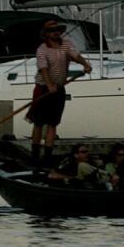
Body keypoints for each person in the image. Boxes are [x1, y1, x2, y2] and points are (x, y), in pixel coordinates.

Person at [26, 19, 90, 169]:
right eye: (52, 30)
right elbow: (43, 68)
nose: (56, 32)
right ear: (47, 34)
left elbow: (75, 55)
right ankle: (35, 156)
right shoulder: (42, 49)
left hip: (59, 88)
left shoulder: (66, 44)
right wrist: (49, 85)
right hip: (43, 87)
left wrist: (85, 64)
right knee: (39, 123)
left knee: (53, 123)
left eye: (57, 29)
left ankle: (47, 157)